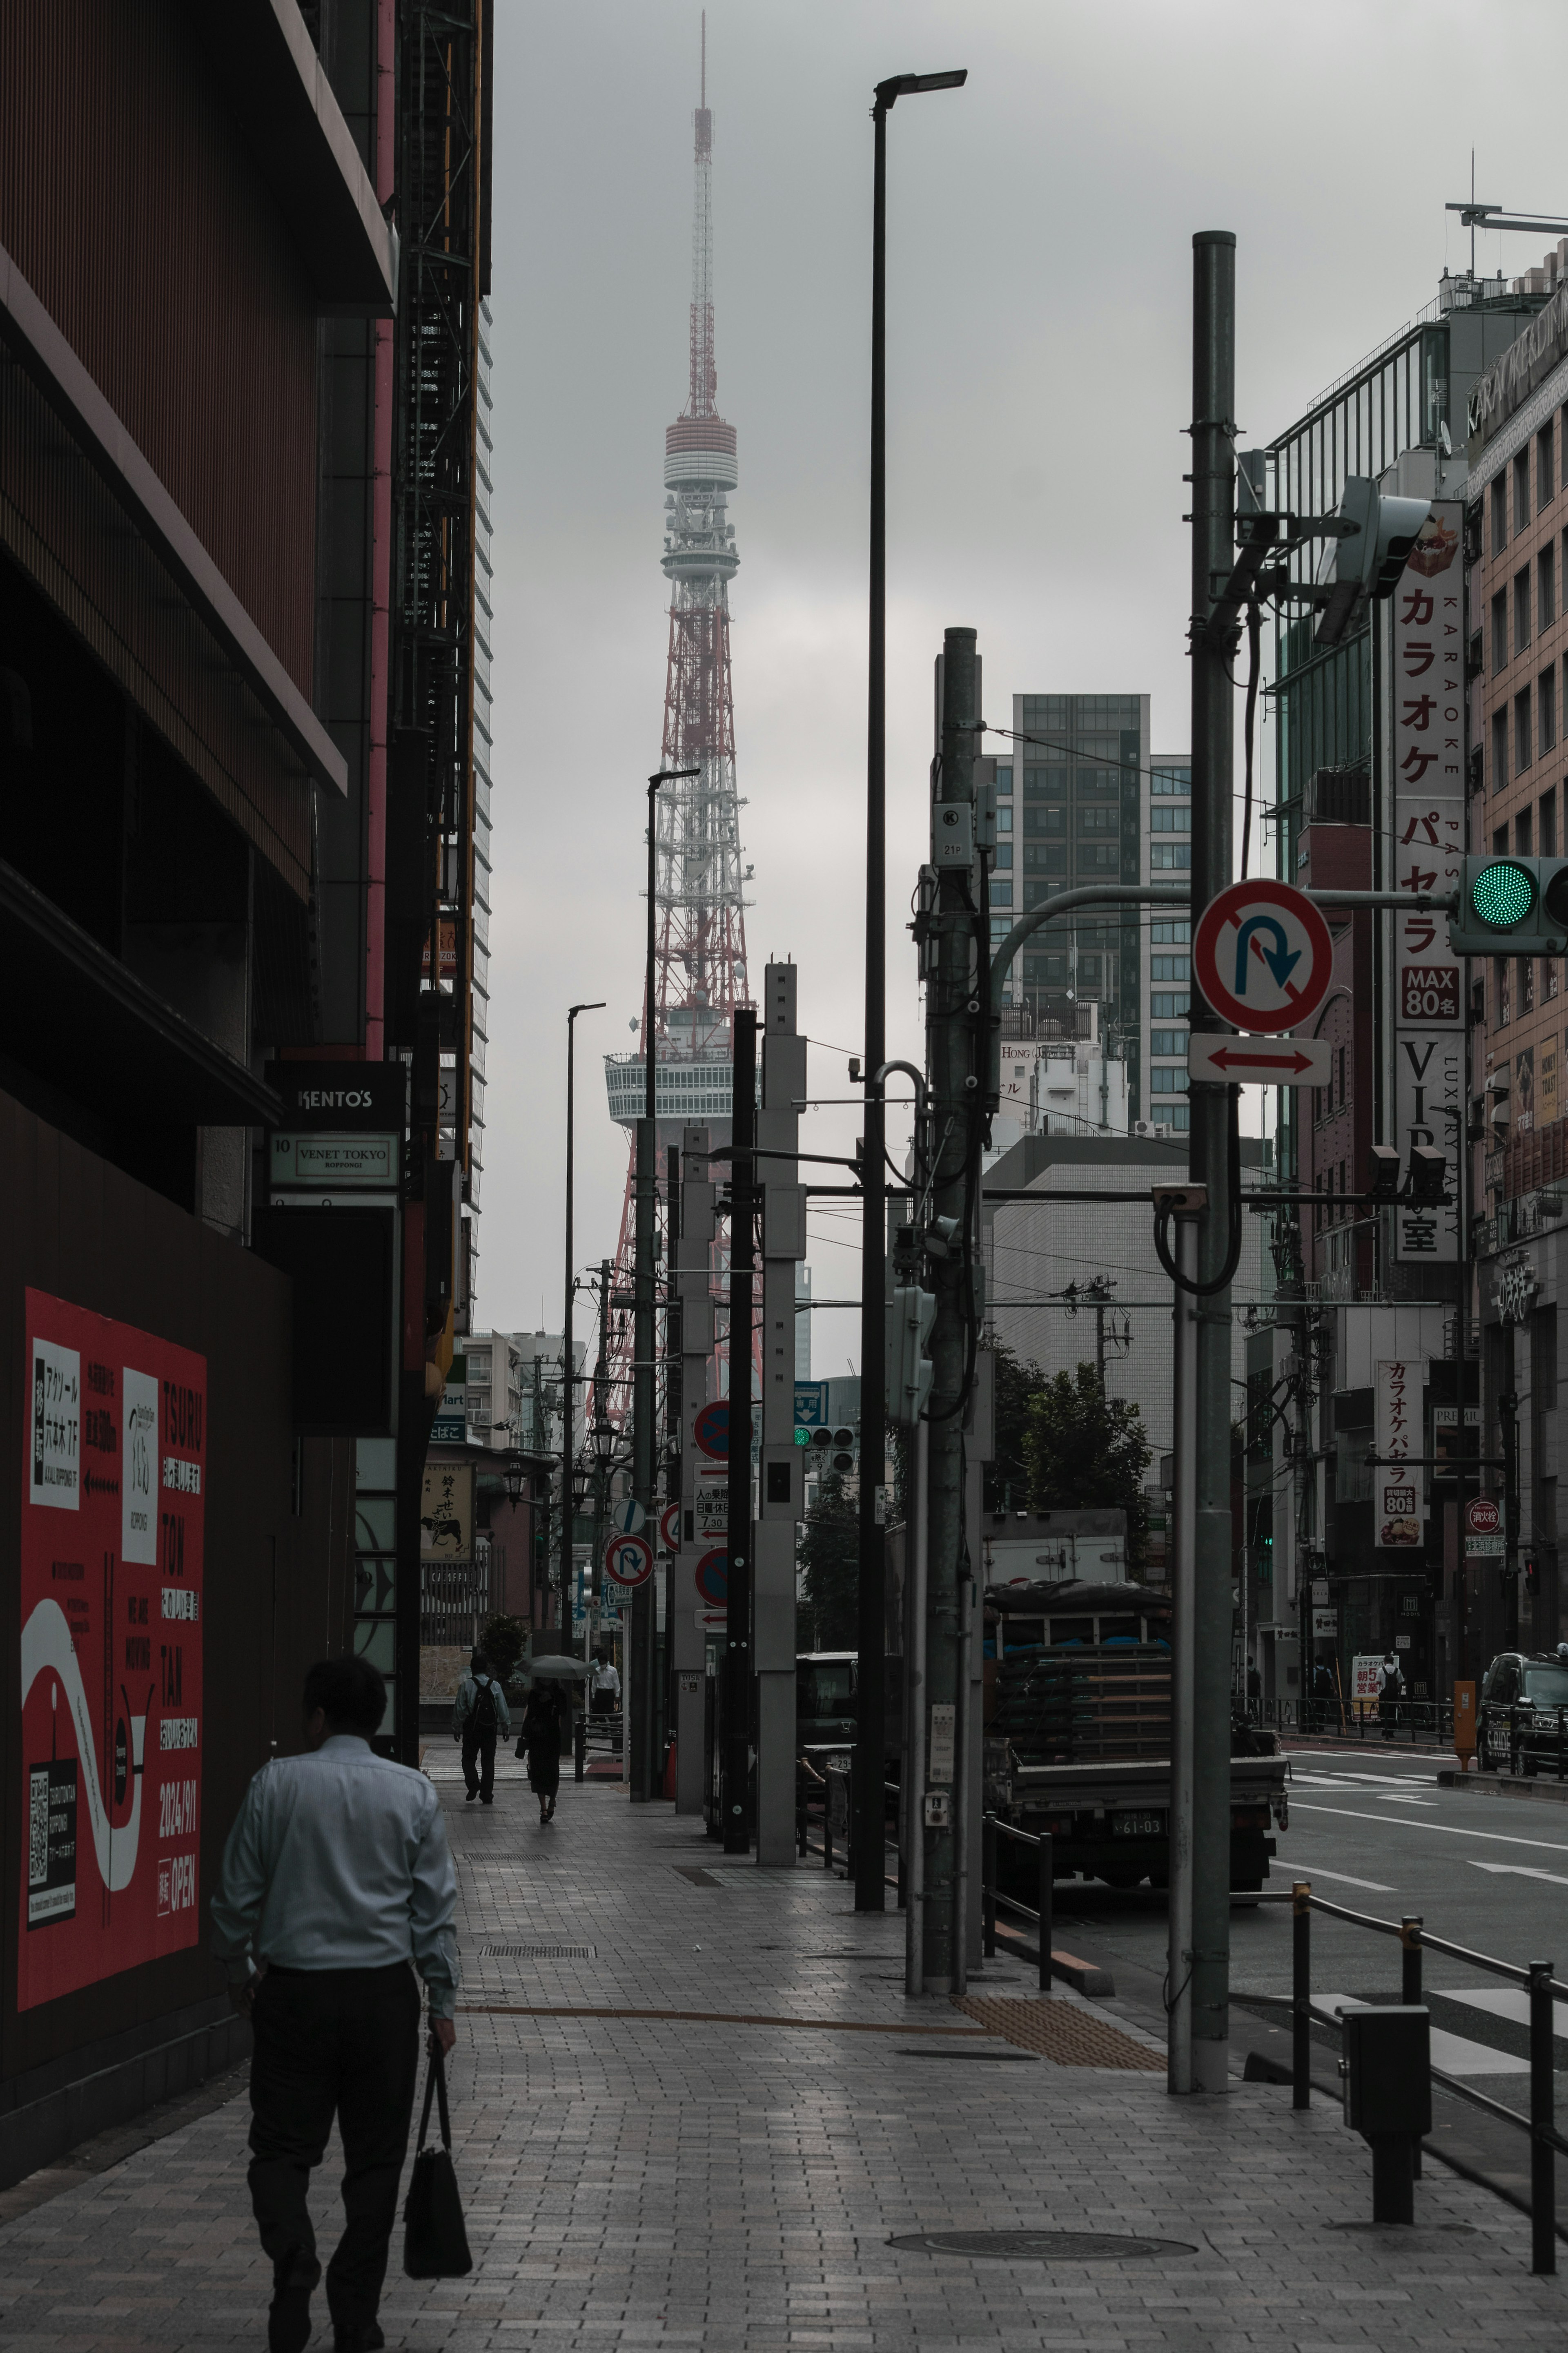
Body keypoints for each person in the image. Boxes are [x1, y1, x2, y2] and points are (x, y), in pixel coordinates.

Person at [210, 1653, 458, 2353]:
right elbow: (434, 1910)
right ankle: (356, 2314)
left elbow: (234, 1897)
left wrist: (240, 1969)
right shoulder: (412, 1793)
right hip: (383, 1996)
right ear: (375, 1719)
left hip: (293, 1992)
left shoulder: (276, 1783)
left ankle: (293, 2254)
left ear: (317, 1717)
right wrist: (441, 1999)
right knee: (376, 2161)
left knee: (280, 2151)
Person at [452, 1647, 510, 1803]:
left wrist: (457, 1727)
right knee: (488, 1761)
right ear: (486, 1669)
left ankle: (473, 1784)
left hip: (472, 1728)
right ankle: (486, 1795)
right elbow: (502, 1708)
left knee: (468, 1759)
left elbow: (460, 1708)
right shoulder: (495, 1685)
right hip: (490, 1728)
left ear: (472, 1669)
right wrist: (505, 1725)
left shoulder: (466, 1685)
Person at [517, 1682, 564, 1824]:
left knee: (539, 1772)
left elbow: (529, 1714)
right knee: (552, 1771)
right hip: (553, 1737)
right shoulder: (560, 1694)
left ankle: (544, 1808)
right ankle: (550, 1803)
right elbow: (563, 1714)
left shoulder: (535, 1693)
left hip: (538, 1737)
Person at [1378, 1649, 1404, 1740]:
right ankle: (1391, 1731)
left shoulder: (1381, 1670)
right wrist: (1400, 1695)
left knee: (1383, 1712)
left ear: (1385, 1662)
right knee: (1392, 1713)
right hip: (1394, 1694)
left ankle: (1385, 1728)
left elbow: (1378, 1683)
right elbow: (1401, 1684)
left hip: (1384, 1694)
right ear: (1393, 1662)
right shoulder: (1398, 1671)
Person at [589, 1645, 621, 1716]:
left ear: (607, 1662)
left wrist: (617, 1695)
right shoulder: (597, 1671)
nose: (602, 1665)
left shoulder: (613, 1671)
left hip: (609, 1693)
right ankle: (603, 1724)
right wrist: (593, 1695)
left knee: (610, 1710)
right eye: (601, 1663)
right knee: (600, 1711)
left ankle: (610, 1725)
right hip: (600, 1692)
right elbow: (594, 1683)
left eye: (603, 1663)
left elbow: (616, 1683)